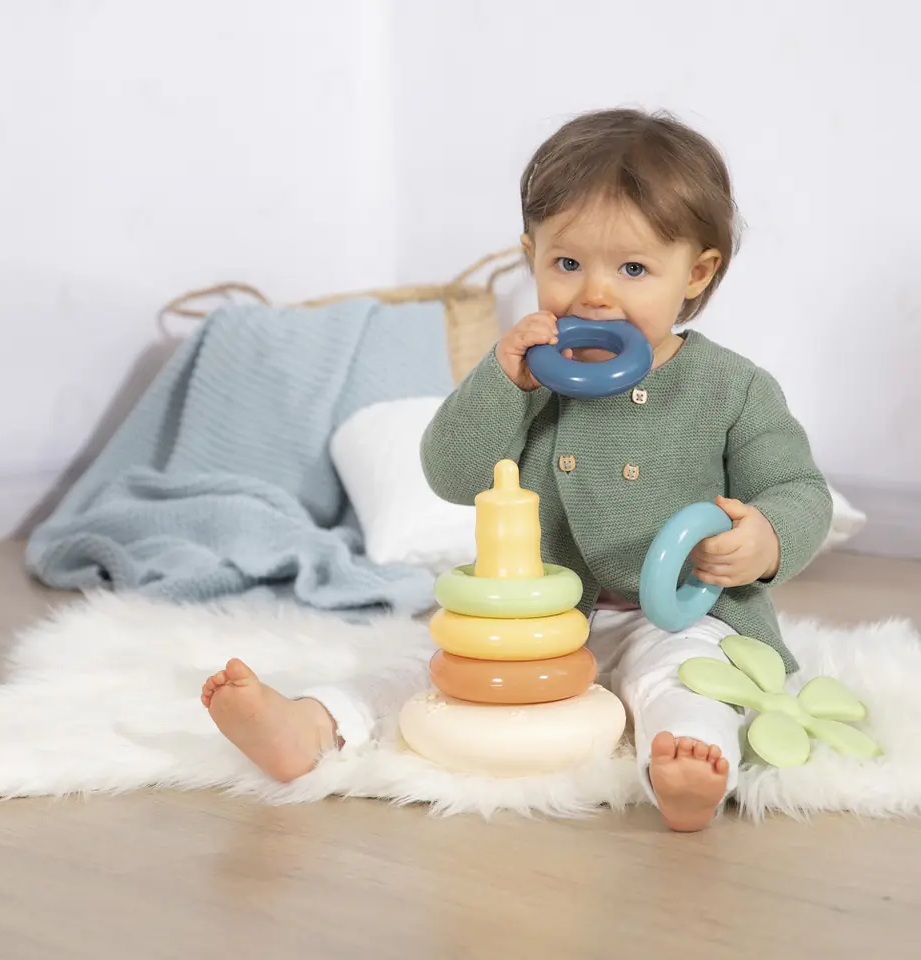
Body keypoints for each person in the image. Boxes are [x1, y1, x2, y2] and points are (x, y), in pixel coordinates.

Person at [200, 108, 832, 832]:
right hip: (541, 612)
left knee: (689, 680)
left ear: (696, 272)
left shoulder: (732, 388)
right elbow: (451, 474)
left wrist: (765, 538)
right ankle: (313, 725)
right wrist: (502, 384)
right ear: (532, 256)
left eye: (632, 269)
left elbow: (796, 488)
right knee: (431, 676)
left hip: (684, 612)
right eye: (567, 264)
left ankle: (687, 763)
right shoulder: (527, 374)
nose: (594, 294)